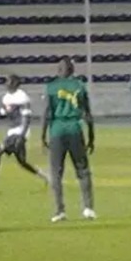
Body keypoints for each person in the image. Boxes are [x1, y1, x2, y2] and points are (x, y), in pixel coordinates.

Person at [41, 56, 96, 223]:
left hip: (57, 130)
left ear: (60, 69)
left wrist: (43, 135)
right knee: (83, 170)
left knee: (56, 172)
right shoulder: (79, 86)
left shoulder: (51, 87)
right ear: (73, 69)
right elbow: (87, 113)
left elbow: (48, 112)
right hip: (74, 128)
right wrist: (92, 136)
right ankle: (88, 208)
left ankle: (60, 210)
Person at [0, 74, 48, 190]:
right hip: (12, 131)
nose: (6, 83)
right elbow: (6, 114)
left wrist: (21, 136)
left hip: (20, 131)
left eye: (9, 81)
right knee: (22, 162)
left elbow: (26, 117)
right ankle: (45, 177)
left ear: (15, 83)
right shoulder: (6, 97)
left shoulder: (22, 97)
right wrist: (0, 113)